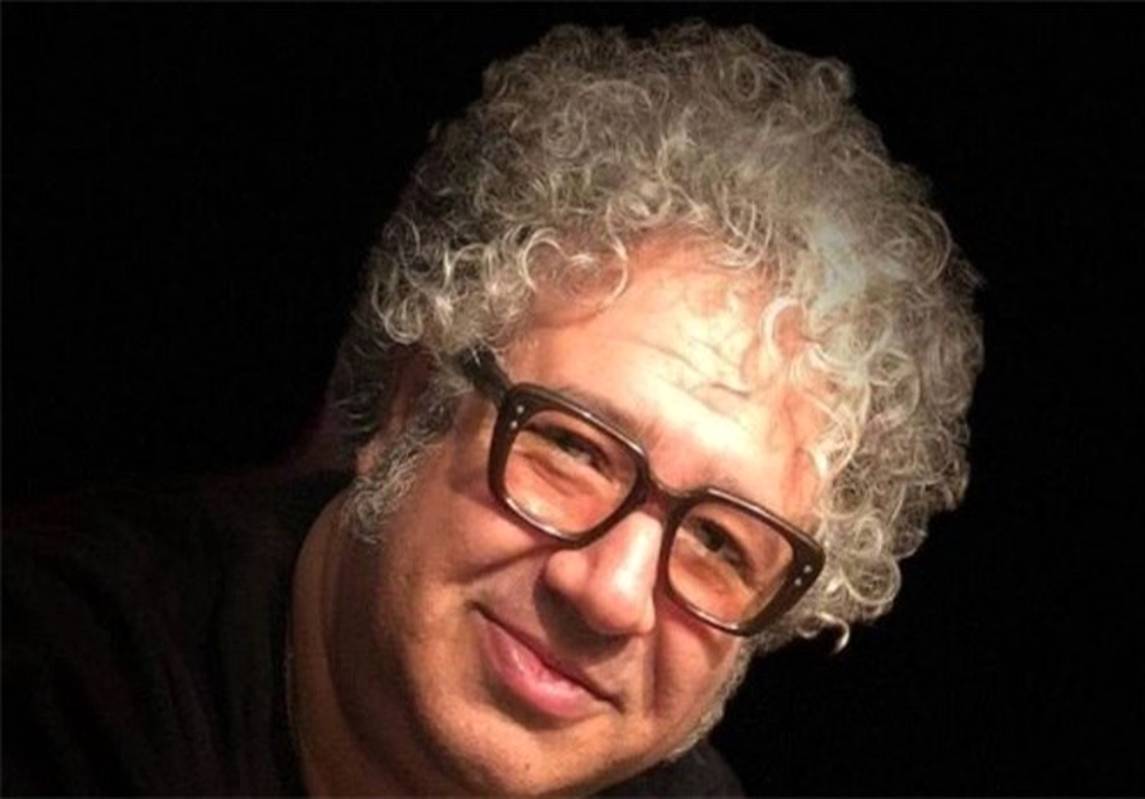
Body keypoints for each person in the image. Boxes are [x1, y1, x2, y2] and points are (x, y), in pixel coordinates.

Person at [2, 20, 983, 797]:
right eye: (575, 448)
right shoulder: (60, 681)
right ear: (413, 401)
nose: (611, 594)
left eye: (721, 543)